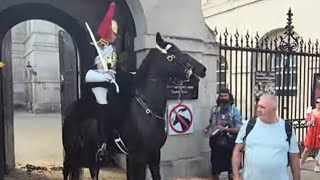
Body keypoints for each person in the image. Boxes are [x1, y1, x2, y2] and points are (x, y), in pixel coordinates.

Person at [232, 94, 300, 180]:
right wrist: (236, 176)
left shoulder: (286, 128)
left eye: (263, 107)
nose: (259, 110)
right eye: (258, 106)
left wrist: (297, 178)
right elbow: (237, 150)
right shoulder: (249, 126)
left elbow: (294, 157)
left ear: (274, 109)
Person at [84, 1, 120, 163]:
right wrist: (102, 77)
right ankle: (103, 145)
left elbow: (115, 68)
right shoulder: (94, 47)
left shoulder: (112, 49)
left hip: (111, 82)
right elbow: (87, 74)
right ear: (107, 32)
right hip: (97, 84)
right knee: (105, 108)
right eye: (113, 32)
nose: (115, 36)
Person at [204, 88, 242, 180]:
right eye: (221, 96)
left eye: (225, 96)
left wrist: (225, 130)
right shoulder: (214, 109)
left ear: (229, 97)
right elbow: (211, 122)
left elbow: (238, 129)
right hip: (216, 144)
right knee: (215, 171)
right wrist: (207, 128)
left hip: (230, 144)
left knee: (231, 173)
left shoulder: (234, 110)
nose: (223, 98)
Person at [300, 97, 320, 172]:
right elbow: (307, 123)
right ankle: (301, 163)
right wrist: (310, 122)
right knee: (307, 149)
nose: (318, 104)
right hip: (312, 132)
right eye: (317, 102)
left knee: (319, 150)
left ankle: (317, 165)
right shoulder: (312, 112)